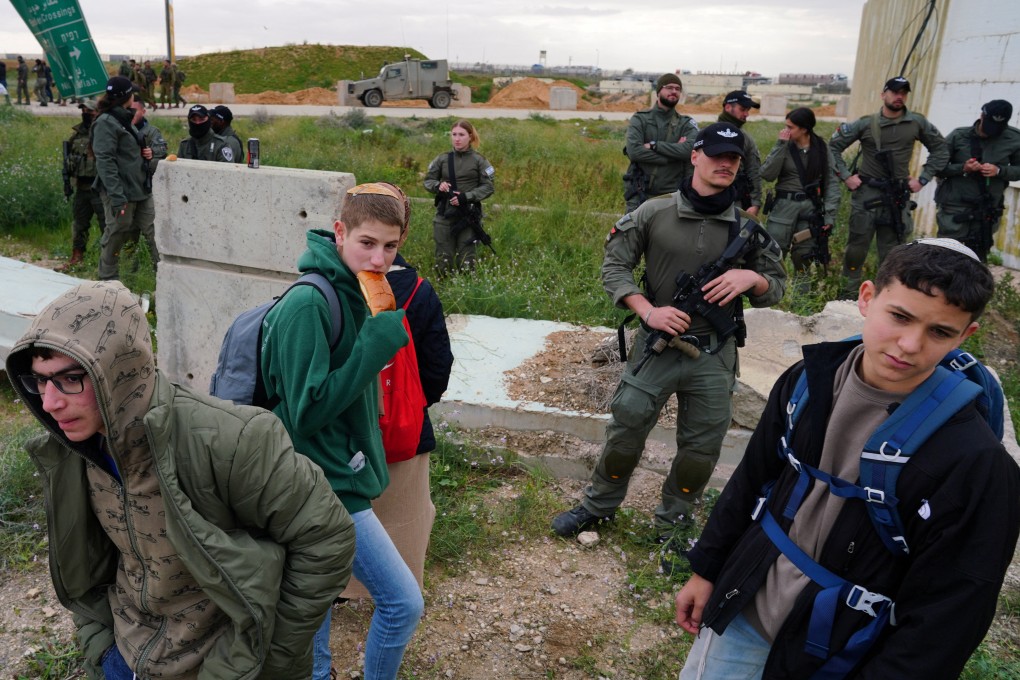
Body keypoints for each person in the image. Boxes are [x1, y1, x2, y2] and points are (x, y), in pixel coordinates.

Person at [673, 238, 1020, 680]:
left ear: (965, 335)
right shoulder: (806, 382)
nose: (910, 344)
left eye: (939, 332)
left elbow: (951, 612)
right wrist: (707, 568)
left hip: (846, 652)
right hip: (745, 604)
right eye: (900, 316)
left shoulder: (974, 462)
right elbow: (753, 478)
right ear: (867, 297)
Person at [5, 280, 356, 679]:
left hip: (219, 666)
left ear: (117, 370)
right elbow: (91, 565)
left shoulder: (232, 439)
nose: (49, 403)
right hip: (124, 656)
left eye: (69, 378)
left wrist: (264, 660)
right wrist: (101, 646)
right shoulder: (72, 452)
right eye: (39, 381)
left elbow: (326, 538)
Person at [550, 122, 787, 547]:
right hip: (657, 346)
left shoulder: (748, 228)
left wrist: (750, 278)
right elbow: (615, 266)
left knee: (700, 452)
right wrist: (648, 311)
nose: (726, 165)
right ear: (695, 156)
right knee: (625, 434)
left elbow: (778, 286)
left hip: (714, 353)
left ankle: (674, 525)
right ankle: (599, 506)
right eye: (717, 156)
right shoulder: (654, 212)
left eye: (734, 159)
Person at [259, 182, 424, 680]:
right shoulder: (309, 304)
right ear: (339, 233)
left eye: (390, 246)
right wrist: (372, 351)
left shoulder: (357, 290)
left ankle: (318, 673)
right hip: (318, 482)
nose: (378, 258)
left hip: (342, 469)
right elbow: (306, 413)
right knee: (402, 603)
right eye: (367, 243)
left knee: (317, 587)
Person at [340, 243, 455, 599]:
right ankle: (396, 595)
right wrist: (411, 404)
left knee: (346, 519)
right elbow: (438, 369)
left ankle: (339, 590)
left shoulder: (332, 288)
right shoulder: (418, 291)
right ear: (403, 235)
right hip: (405, 437)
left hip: (343, 436)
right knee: (405, 519)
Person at [829, 76, 949, 297]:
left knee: (893, 253)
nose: (899, 96)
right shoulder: (866, 123)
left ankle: (887, 296)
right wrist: (846, 176)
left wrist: (923, 179)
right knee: (856, 249)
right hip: (867, 194)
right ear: (884, 94)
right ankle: (847, 295)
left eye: (904, 92)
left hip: (897, 196)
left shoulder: (916, 123)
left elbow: (941, 149)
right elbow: (833, 147)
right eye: (895, 92)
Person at [760, 107, 841, 278]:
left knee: (804, 256)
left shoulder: (821, 149)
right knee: (774, 252)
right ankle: (771, 293)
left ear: (804, 129)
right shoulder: (784, 146)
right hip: (784, 207)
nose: (785, 131)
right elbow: (767, 174)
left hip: (810, 209)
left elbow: (832, 182)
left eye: (790, 127)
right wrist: (780, 145)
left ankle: (799, 299)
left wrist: (829, 214)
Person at [935, 99, 1020, 262]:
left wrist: (999, 171)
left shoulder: (1014, 139)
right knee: (945, 259)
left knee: (976, 264)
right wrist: (962, 168)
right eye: (988, 126)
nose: (990, 132)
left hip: (987, 211)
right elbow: (935, 166)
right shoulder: (958, 136)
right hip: (955, 209)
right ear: (981, 115)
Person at [91, 76, 156, 281]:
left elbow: (126, 152)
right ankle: (107, 279)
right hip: (120, 191)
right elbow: (105, 161)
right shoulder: (106, 122)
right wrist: (117, 196)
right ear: (128, 96)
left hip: (139, 188)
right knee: (117, 232)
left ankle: (163, 277)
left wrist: (144, 152)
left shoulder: (124, 119)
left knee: (154, 231)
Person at [424, 119, 495, 275]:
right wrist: (438, 186)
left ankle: (466, 291)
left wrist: (467, 196)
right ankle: (442, 290)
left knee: (467, 260)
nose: (457, 138)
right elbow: (428, 181)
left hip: (468, 216)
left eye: (461, 135)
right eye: (454, 134)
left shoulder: (479, 161)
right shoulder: (442, 159)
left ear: (470, 136)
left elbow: (488, 187)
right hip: (444, 215)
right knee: (443, 258)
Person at [621, 73, 700, 211]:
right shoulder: (640, 119)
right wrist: (673, 156)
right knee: (632, 232)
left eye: (677, 88)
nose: (674, 91)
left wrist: (654, 146)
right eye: (669, 87)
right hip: (639, 193)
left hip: (671, 196)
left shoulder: (686, 124)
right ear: (658, 91)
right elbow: (634, 152)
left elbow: (689, 151)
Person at [59, 98, 107, 270]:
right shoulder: (77, 135)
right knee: (79, 224)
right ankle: (77, 257)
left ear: (98, 113)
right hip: (81, 187)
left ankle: (108, 262)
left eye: (90, 111)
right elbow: (69, 161)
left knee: (106, 226)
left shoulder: (104, 132)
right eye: (83, 111)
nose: (85, 114)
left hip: (100, 189)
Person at [719, 90, 763, 215]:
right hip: (708, 199)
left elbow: (753, 170)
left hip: (736, 201)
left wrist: (755, 203)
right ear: (728, 107)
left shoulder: (746, 139)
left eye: (748, 110)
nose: (746, 114)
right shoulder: (707, 134)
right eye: (743, 109)